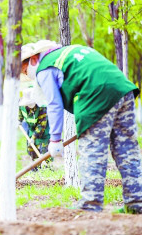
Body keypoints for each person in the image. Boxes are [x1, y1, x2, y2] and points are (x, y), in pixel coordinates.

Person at [20, 39, 142, 213]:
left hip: (96, 96)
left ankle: (90, 204)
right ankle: (136, 202)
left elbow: (54, 104)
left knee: (92, 150)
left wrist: (55, 138)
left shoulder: (44, 68)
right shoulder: (67, 53)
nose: (29, 75)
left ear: (33, 59)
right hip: (122, 89)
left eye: (25, 71)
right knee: (127, 149)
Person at [18, 87, 51, 170]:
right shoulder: (22, 107)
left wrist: (33, 137)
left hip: (43, 131)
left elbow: (41, 125)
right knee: (31, 149)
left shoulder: (42, 108)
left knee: (44, 151)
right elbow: (20, 116)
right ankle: (35, 167)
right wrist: (18, 121)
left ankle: (47, 169)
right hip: (31, 129)